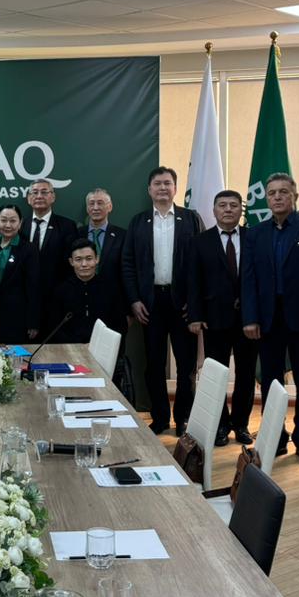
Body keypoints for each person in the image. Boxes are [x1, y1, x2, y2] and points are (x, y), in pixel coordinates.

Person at [241, 172, 299, 465]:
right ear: (266, 199)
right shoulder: (255, 233)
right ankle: (275, 437)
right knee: (271, 382)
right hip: (268, 321)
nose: (277, 197)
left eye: (283, 192)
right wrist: (250, 318)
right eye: (272, 193)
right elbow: (248, 279)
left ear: (295, 196)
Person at [121, 166, 204, 436]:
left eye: (167, 183)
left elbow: (202, 264)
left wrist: (195, 302)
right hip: (150, 303)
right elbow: (128, 263)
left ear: (175, 188)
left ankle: (183, 418)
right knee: (154, 365)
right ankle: (159, 418)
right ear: (149, 190)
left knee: (186, 366)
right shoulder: (138, 222)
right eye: (157, 184)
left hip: (183, 305)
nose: (162, 188)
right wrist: (134, 300)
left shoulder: (191, 219)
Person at [187, 189, 258, 448]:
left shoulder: (253, 238)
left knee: (246, 374)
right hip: (213, 319)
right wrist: (195, 316)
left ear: (241, 210)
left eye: (233, 205)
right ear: (214, 210)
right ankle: (219, 425)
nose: (228, 209)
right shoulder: (200, 241)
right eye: (222, 205)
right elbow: (193, 281)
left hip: (248, 320)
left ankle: (241, 424)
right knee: (215, 375)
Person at [24, 178, 78, 332]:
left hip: (57, 300)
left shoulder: (67, 226)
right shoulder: (20, 225)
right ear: (28, 198)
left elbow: (71, 265)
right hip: (26, 302)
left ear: (53, 197)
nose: (39, 196)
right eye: (35, 192)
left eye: (44, 192)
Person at [53, 238, 127, 343]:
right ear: (71, 262)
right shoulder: (61, 291)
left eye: (89, 258)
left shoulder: (111, 289)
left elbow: (120, 326)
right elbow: (55, 328)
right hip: (70, 348)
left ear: (97, 259)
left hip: (103, 347)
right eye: (78, 259)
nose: (84, 264)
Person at [0, 204, 40, 345]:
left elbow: (34, 287)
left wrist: (33, 321)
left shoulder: (28, 249)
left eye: (13, 221)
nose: (8, 225)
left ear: (20, 223)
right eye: (3, 220)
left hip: (17, 317)